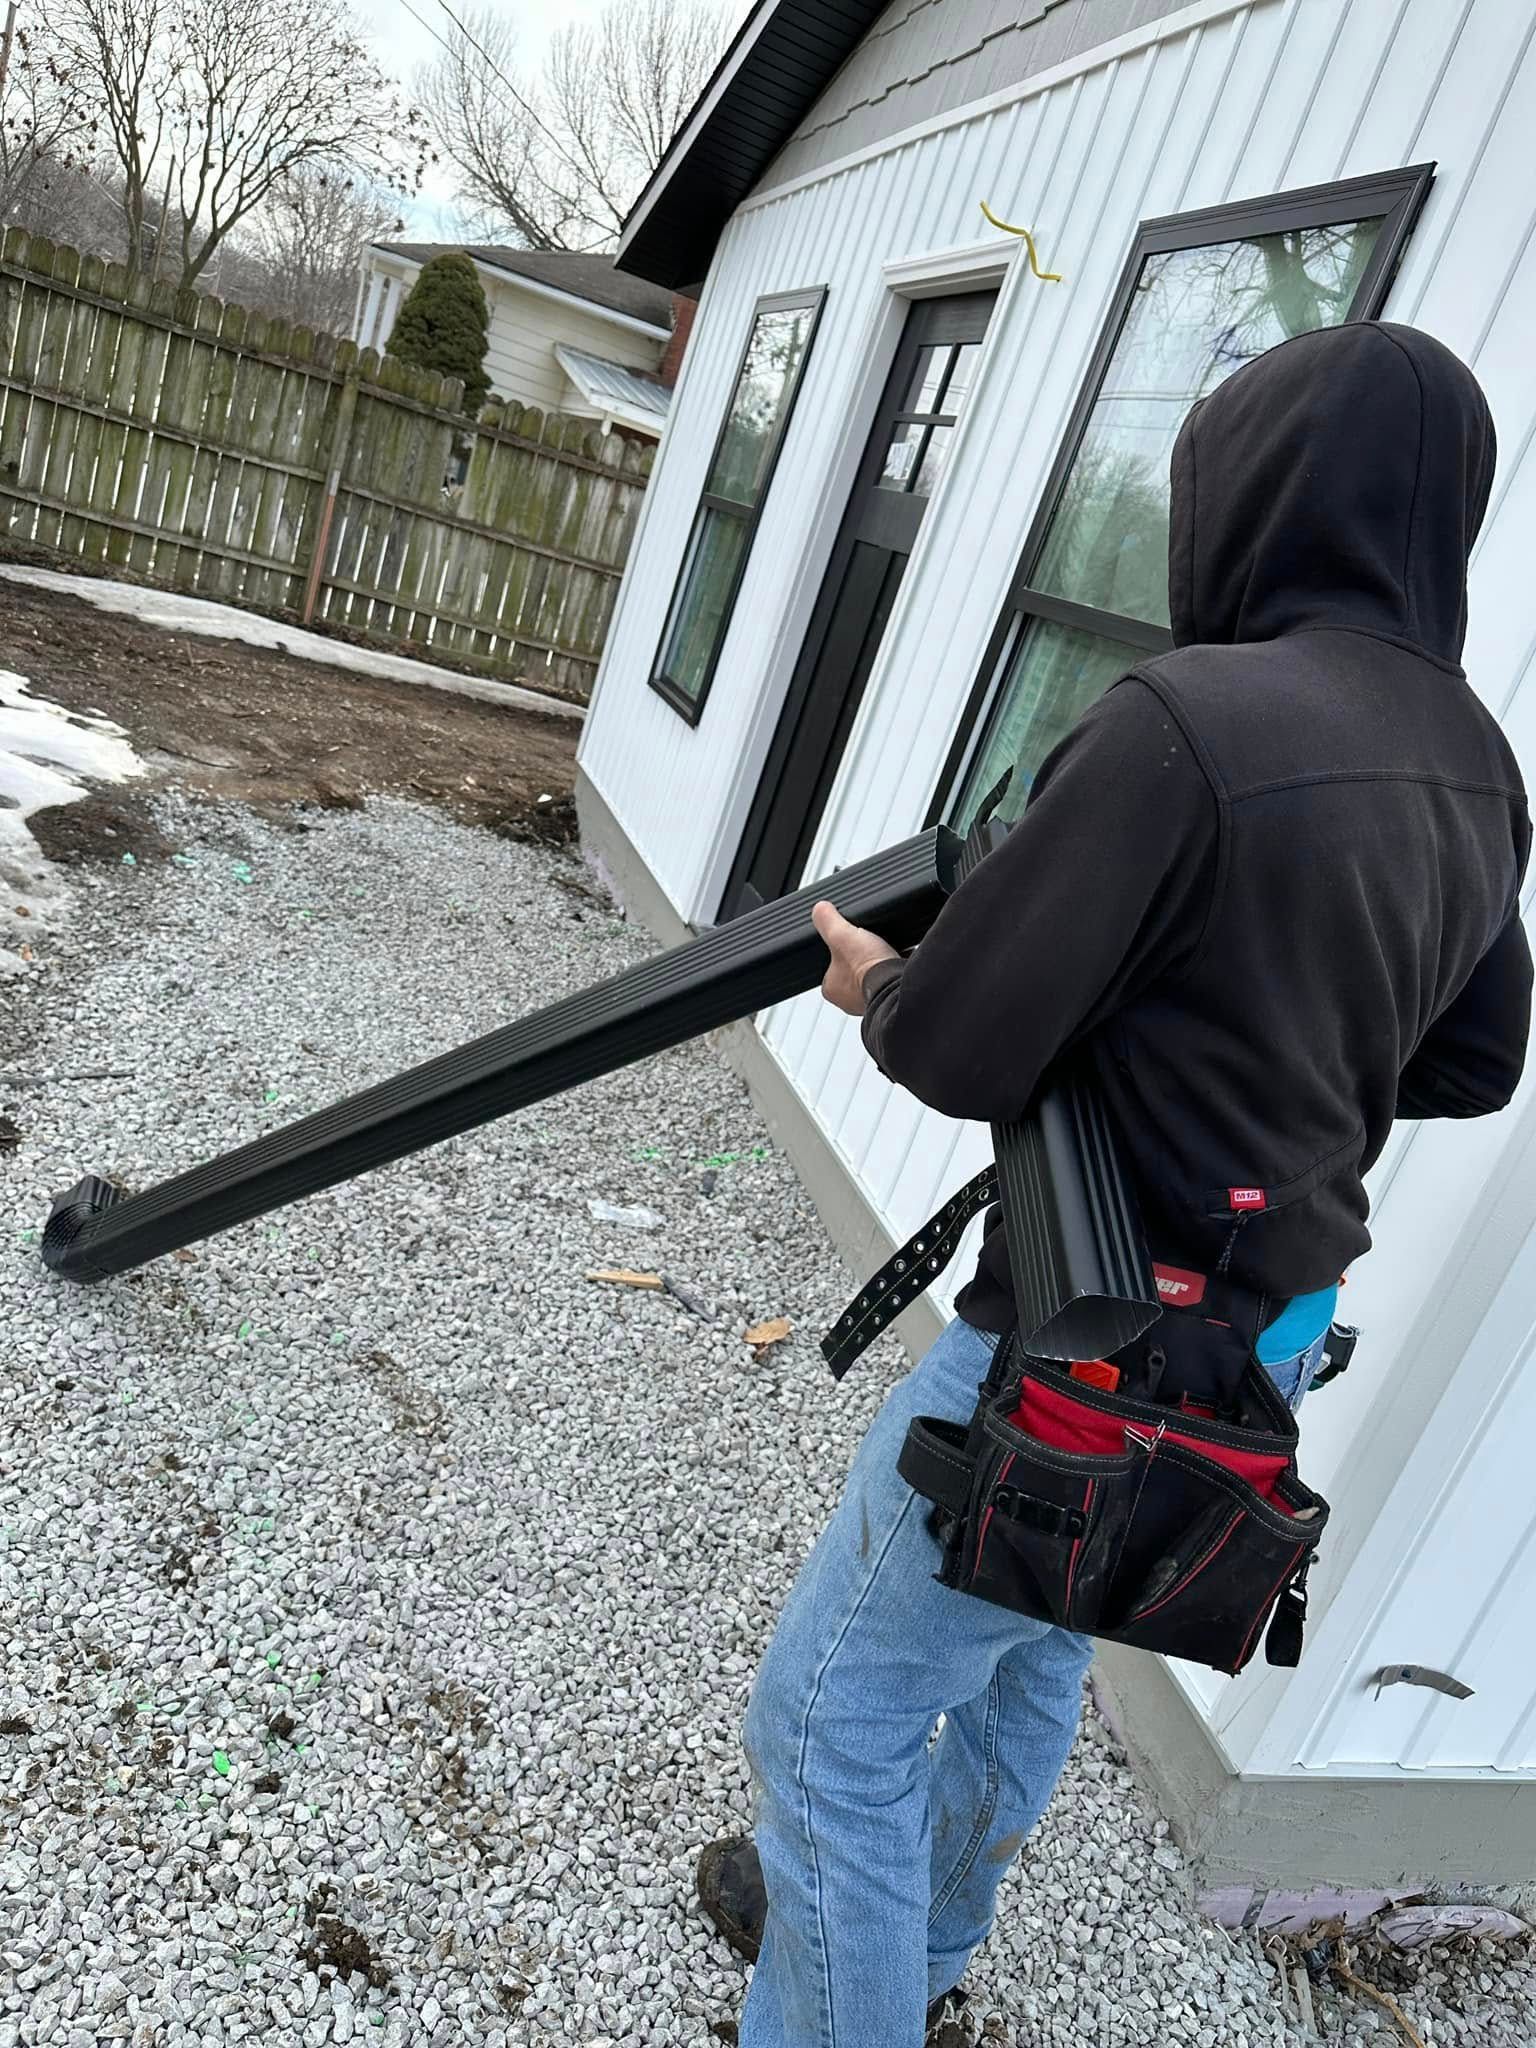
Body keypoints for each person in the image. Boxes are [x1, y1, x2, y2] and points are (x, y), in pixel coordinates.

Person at [695, 321, 1533, 2048]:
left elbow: (955, 1047)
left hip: (1083, 1340)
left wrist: (873, 981)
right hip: (1269, 1333)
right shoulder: (1473, 769)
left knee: (830, 1722)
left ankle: (847, 2003)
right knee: (1033, 1644)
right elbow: (1466, 1062)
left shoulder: (1184, 724)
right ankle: (906, 1957)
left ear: (1261, 493)